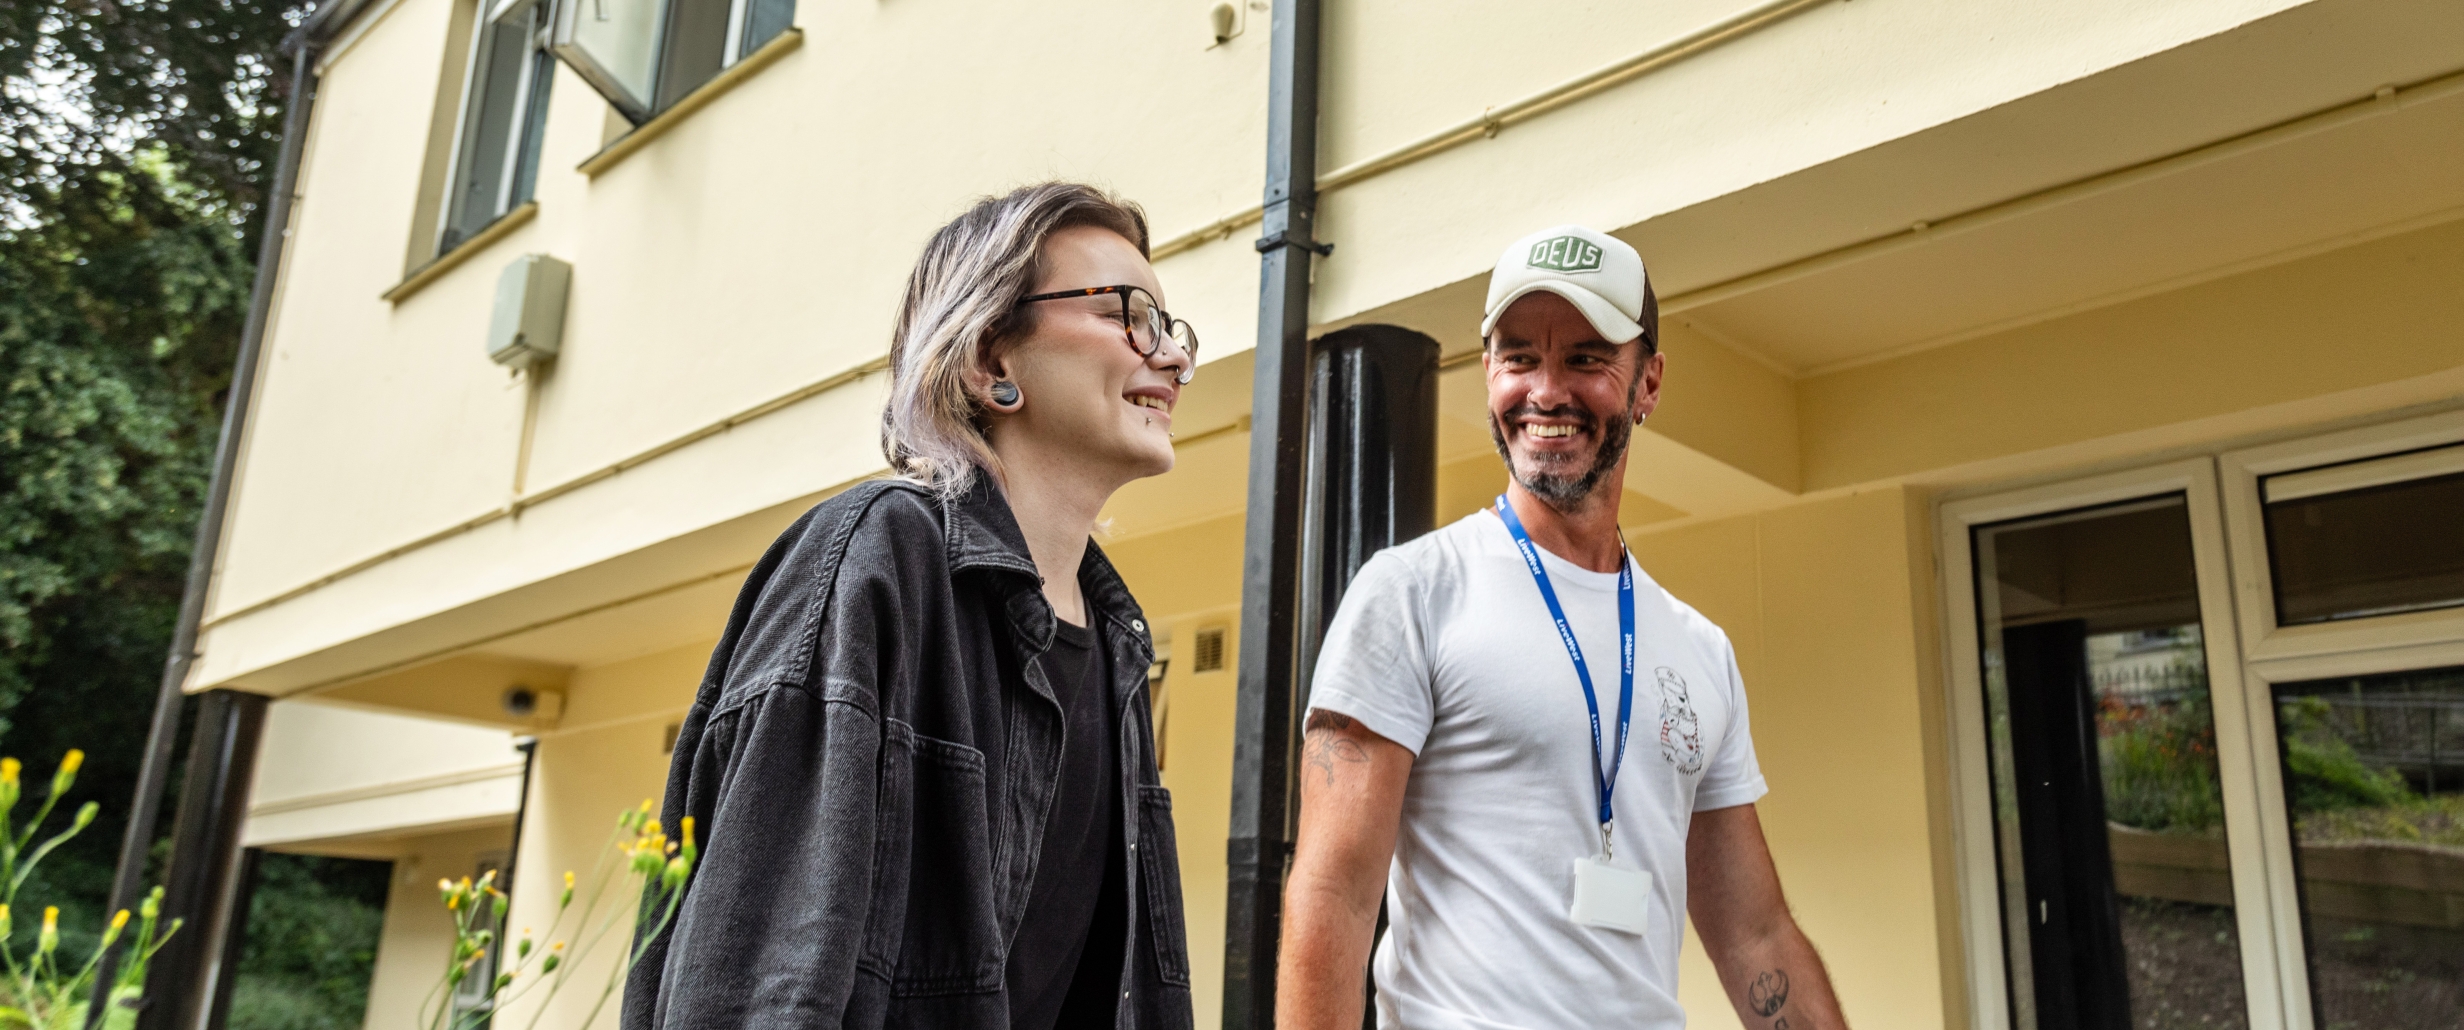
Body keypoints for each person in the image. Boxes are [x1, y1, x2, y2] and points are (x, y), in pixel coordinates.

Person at [623, 182, 1199, 1030]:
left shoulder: (1117, 642)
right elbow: (754, 991)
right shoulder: (876, 559)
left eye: (1171, 326)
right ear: (991, 359)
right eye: (1128, 312)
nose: (1175, 357)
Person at [1277, 226, 1849, 1030]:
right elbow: (1333, 893)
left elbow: (1756, 936)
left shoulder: (1700, 650)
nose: (1546, 391)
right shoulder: (1411, 593)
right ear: (1488, 374)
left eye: (1586, 358)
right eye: (1519, 357)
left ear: (1648, 382)